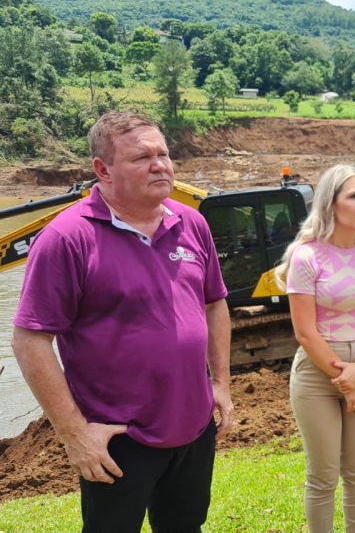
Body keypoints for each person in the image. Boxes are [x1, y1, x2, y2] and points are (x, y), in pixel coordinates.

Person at [11, 111, 232, 532]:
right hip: (117, 438)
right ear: (102, 169)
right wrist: (75, 434)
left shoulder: (192, 224)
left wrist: (220, 382)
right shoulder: (67, 238)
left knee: (186, 527)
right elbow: (30, 340)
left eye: (164, 154)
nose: (160, 165)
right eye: (141, 157)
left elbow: (214, 303)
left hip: (193, 427)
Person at [275, 164, 355, 533]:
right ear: (331, 203)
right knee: (323, 476)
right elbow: (305, 332)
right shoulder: (307, 257)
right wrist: (346, 378)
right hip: (317, 374)